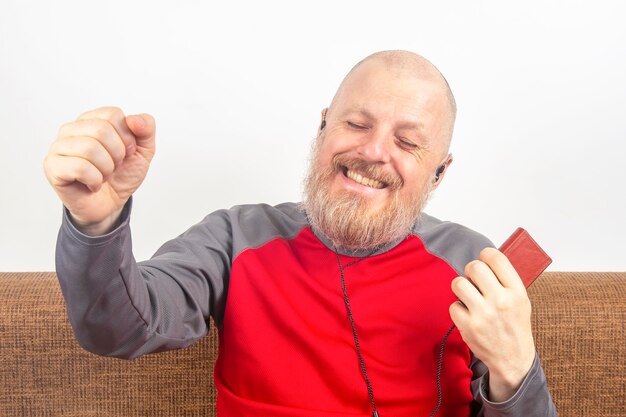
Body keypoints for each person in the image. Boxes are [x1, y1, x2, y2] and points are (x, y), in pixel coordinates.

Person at [44, 50, 557, 417]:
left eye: (406, 141)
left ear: (438, 173)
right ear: (323, 128)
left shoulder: (474, 263)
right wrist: (96, 222)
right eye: (356, 124)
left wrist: (516, 368)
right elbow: (118, 329)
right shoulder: (235, 236)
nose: (375, 151)